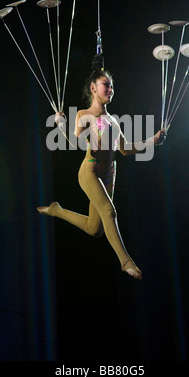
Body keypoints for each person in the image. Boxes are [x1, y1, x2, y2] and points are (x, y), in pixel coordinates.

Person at [37, 61, 166, 280]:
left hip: (108, 176)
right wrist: (61, 125)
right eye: (106, 84)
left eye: (112, 87)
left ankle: (56, 210)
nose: (110, 90)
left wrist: (153, 140)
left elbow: (125, 149)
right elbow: (76, 143)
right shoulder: (84, 115)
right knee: (110, 212)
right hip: (90, 172)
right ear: (93, 88)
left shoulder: (113, 121)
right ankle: (126, 262)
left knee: (94, 228)